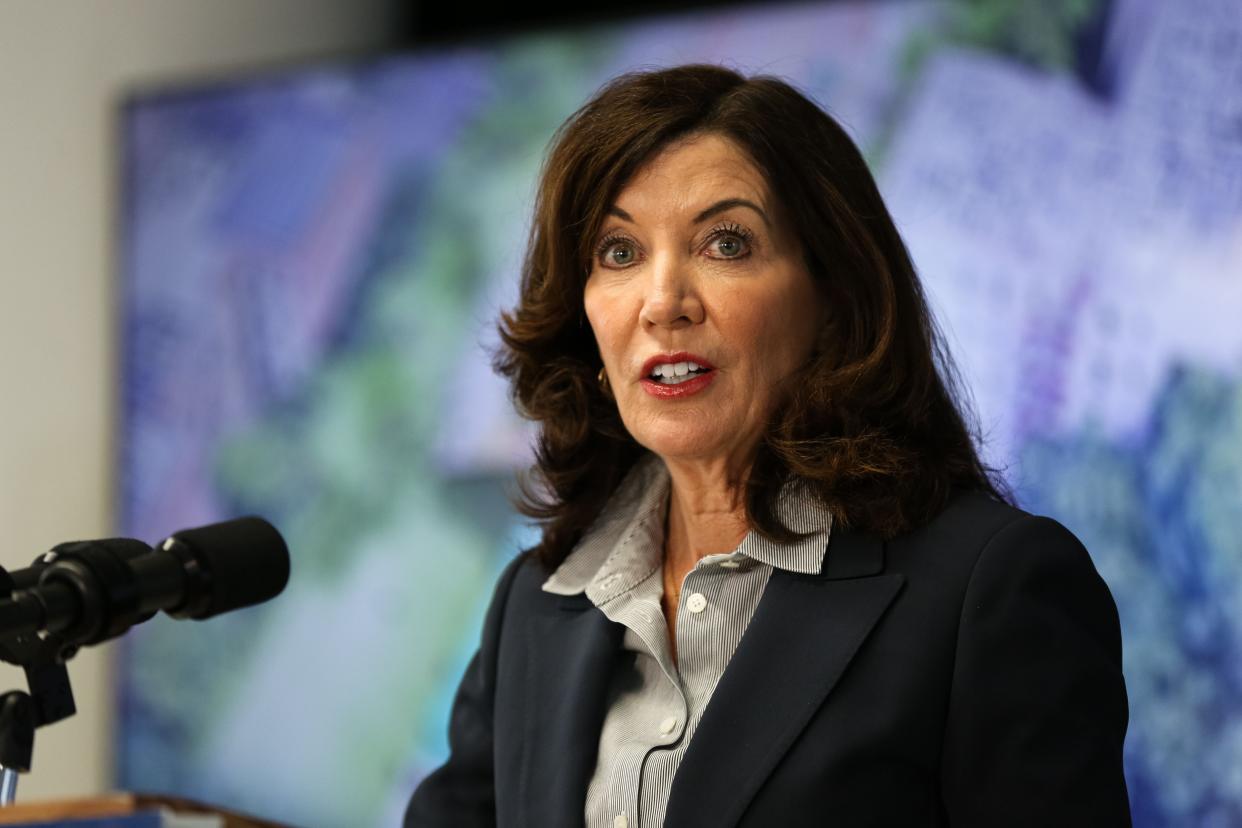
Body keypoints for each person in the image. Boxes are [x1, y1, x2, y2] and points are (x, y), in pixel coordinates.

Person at [405, 64, 1130, 827]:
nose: (662, 303)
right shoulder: (534, 604)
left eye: (726, 243)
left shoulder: (993, 590)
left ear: (832, 295)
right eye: (619, 252)